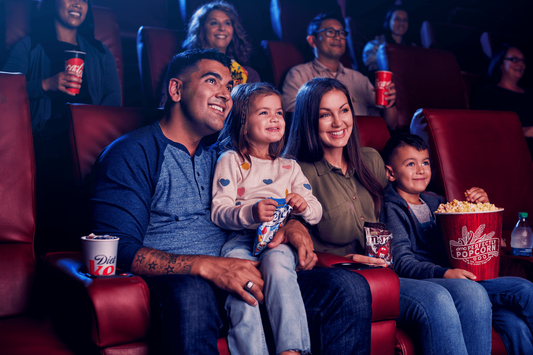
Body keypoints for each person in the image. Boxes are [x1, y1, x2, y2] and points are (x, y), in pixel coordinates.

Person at [91, 48, 374, 355]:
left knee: (349, 288)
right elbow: (118, 251)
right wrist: (209, 267)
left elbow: (258, 194)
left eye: (228, 87)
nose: (225, 95)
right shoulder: (133, 153)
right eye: (212, 81)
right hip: (182, 283)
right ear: (176, 89)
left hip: (247, 269)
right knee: (193, 294)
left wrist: (291, 223)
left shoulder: (223, 155)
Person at [284, 77, 493, 355]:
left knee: (473, 293)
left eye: (344, 110)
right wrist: (342, 261)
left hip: (389, 269)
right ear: (309, 120)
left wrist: (471, 206)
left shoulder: (370, 160)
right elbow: (291, 233)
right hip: (345, 277)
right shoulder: (297, 172)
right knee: (438, 299)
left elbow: (413, 187)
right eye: (325, 115)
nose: (338, 122)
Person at [381, 133, 533, 355]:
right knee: (523, 290)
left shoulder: (438, 202)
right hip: (437, 280)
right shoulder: (391, 208)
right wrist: (445, 273)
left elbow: (471, 240)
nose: (421, 170)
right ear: (390, 173)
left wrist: (483, 208)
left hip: (464, 275)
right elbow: (403, 262)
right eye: (410, 164)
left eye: (425, 162)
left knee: (514, 323)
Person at [2, 0, 121, 254]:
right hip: (44, 141)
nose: (77, 3)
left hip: (92, 141)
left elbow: (114, 102)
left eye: (84, 0)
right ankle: (55, 259)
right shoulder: (29, 46)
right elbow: (5, 92)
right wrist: (47, 84)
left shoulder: (99, 51)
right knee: (56, 174)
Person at [212, 82, 322, 355]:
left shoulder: (289, 165)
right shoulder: (231, 159)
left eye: (279, 113)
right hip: (240, 241)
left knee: (277, 265)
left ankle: (292, 350)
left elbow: (317, 211)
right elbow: (219, 211)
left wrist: (302, 206)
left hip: (278, 241)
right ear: (242, 124)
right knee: (243, 291)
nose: (274, 118)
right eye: (263, 113)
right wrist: (250, 212)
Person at [281, 12, 398, 131]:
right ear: (312, 41)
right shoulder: (299, 74)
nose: (338, 37)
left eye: (342, 33)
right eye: (330, 31)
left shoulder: (359, 78)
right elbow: (292, 119)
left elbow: (389, 126)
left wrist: (389, 104)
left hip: (365, 144)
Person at [471, 45, 533, 160]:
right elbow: (485, 130)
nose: (521, 64)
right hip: (514, 152)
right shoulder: (487, 94)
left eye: (523, 60)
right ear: (500, 63)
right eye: (514, 59)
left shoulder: (530, 93)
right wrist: (523, 131)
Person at [182, 0, 260, 84]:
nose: (222, 28)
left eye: (227, 23)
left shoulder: (249, 75)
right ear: (201, 30)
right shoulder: (184, 70)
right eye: (214, 23)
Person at [362, 5, 417, 75]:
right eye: (397, 19)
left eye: (405, 20)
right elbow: (368, 63)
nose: (401, 23)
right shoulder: (375, 45)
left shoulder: (413, 47)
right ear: (388, 21)